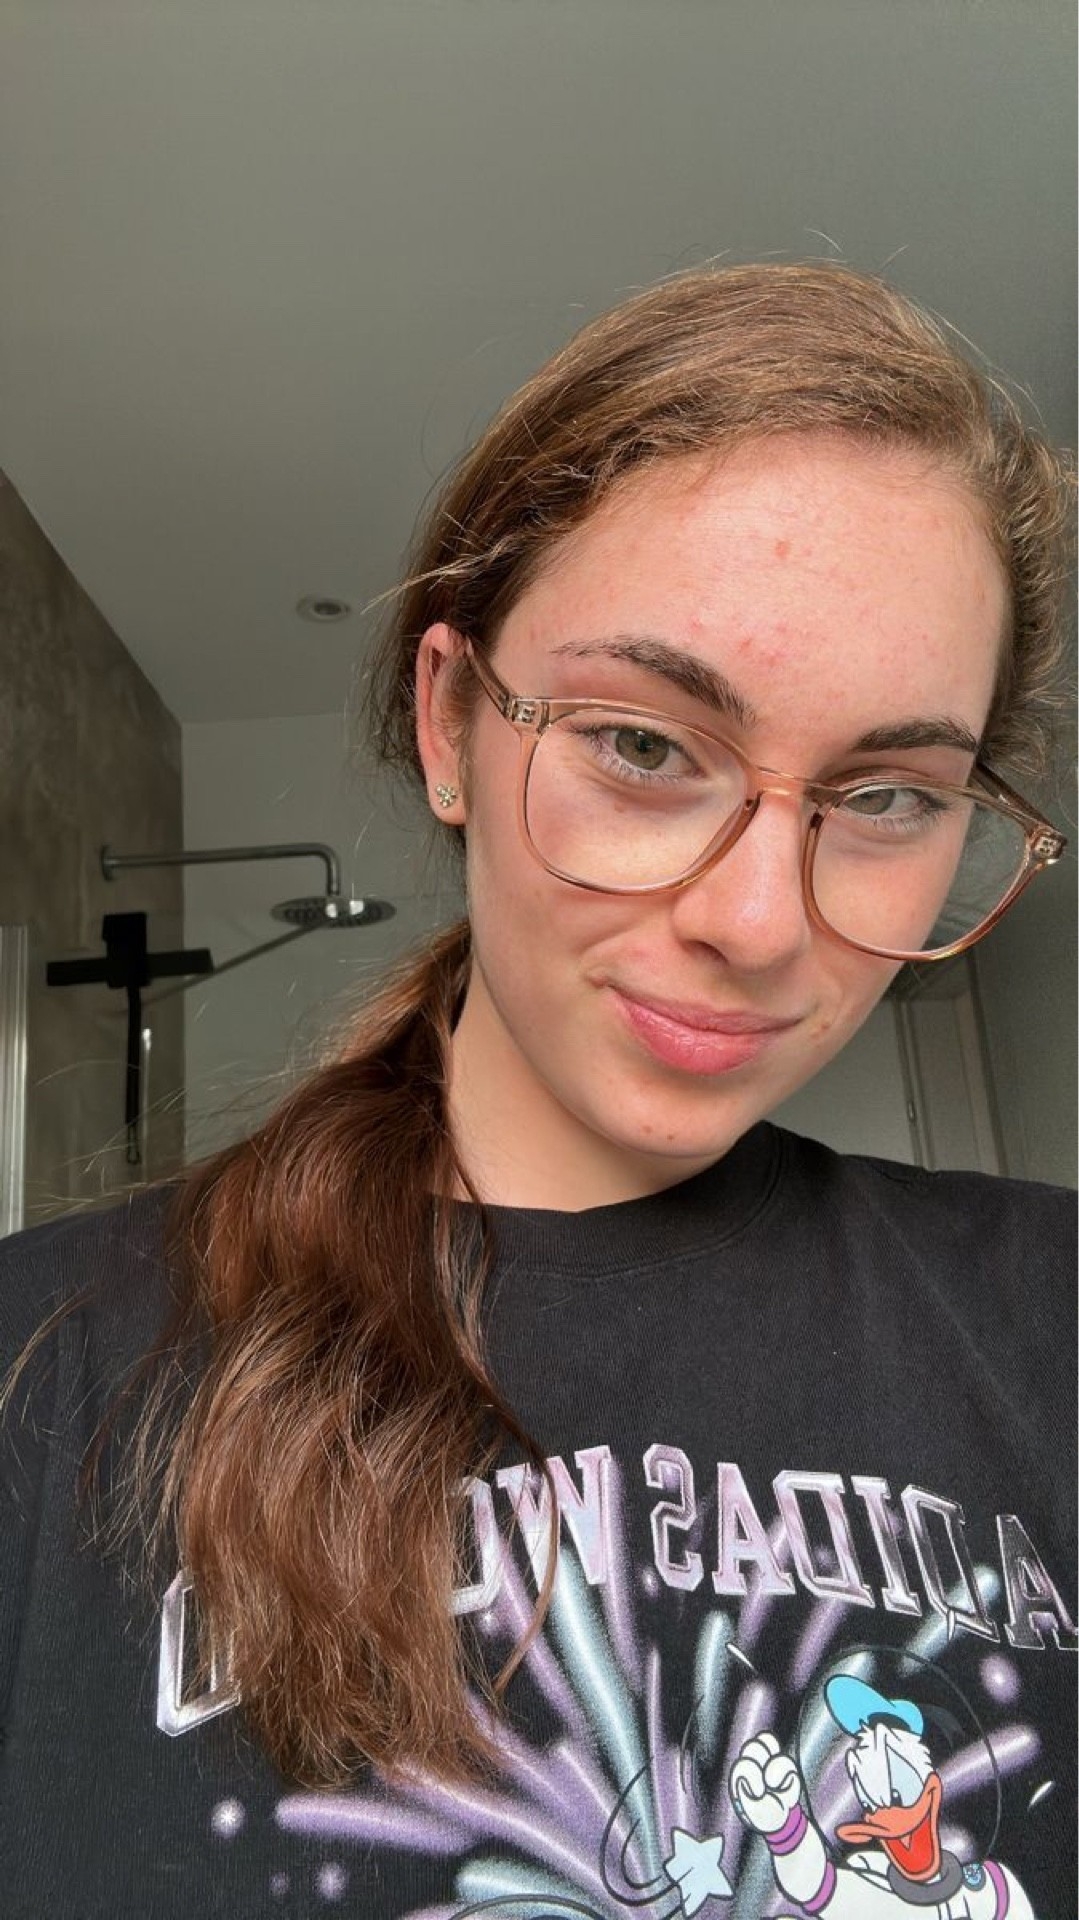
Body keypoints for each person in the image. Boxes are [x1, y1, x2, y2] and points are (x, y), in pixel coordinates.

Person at [1, 263, 1075, 1919]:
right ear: (450, 722)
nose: (757, 924)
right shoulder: (42, 1372)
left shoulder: (1053, 1313)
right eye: (643, 746)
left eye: (884, 795)